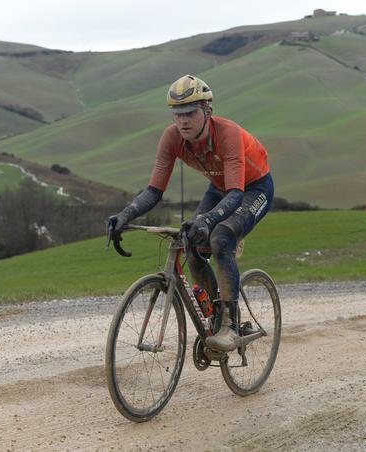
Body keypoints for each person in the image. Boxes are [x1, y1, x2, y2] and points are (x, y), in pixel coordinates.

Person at [107, 75, 274, 352]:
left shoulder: (227, 133)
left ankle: (230, 326)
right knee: (191, 240)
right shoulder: (172, 137)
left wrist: (208, 220)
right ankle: (215, 314)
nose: (183, 121)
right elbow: (153, 191)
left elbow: (236, 194)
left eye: (190, 113)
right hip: (220, 188)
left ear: (207, 111)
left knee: (220, 238)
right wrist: (125, 215)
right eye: (177, 114)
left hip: (253, 189)